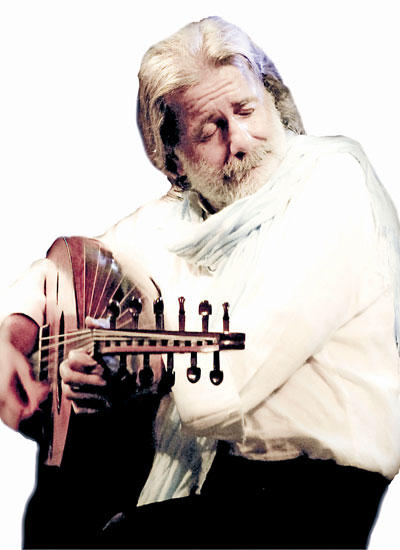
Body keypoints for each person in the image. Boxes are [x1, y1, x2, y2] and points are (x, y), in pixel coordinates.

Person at [1, 15, 400, 549]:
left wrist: (129, 366)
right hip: (220, 477)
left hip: (318, 492)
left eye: (246, 111)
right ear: (173, 160)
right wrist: (13, 334)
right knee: (56, 512)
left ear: (273, 99)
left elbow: (242, 367)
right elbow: (79, 264)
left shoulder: (332, 184)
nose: (240, 141)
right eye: (209, 131)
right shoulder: (183, 218)